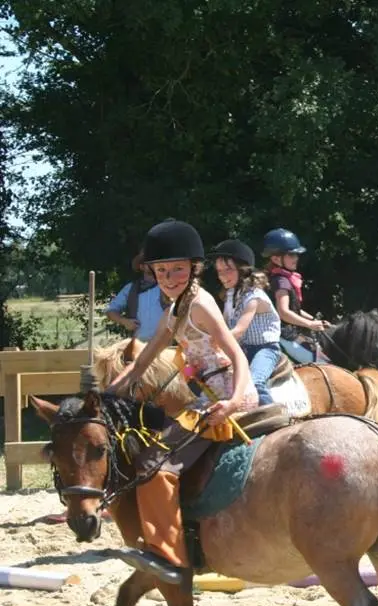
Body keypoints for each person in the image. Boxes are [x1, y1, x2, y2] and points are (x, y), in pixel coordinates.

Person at [106, 219, 259, 584]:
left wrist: (234, 401)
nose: (169, 277)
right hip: (205, 397)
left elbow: (237, 355)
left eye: (177, 269)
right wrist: (110, 391)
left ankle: (167, 555)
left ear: (194, 268)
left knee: (156, 467)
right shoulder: (176, 307)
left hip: (222, 398)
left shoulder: (200, 304)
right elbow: (144, 360)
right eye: (162, 270)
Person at [210, 238, 281, 406]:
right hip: (242, 349)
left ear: (242, 270)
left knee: (255, 383)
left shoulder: (254, 296)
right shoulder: (229, 296)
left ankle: (275, 420)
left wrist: (215, 341)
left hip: (265, 349)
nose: (222, 276)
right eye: (219, 271)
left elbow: (239, 330)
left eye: (228, 270)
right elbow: (223, 325)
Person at [262, 227, 326, 364]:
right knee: (322, 363)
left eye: (296, 255)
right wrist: (310, 324)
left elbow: (295, 309)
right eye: (291, 255)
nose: (296, 258)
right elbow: (284, 312)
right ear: (276, 259)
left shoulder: (285, 278)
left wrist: (315, 320)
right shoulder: (281, 281)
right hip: (281, 336)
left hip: (290, 334)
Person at [105, 250, 167, 341]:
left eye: (156, 261)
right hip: (138, 346)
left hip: (166, 345)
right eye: (149, 262)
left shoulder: (170, 287)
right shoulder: (130, 288)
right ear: (141, 266)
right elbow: (110, 311)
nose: (153, 264)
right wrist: (124, 321)